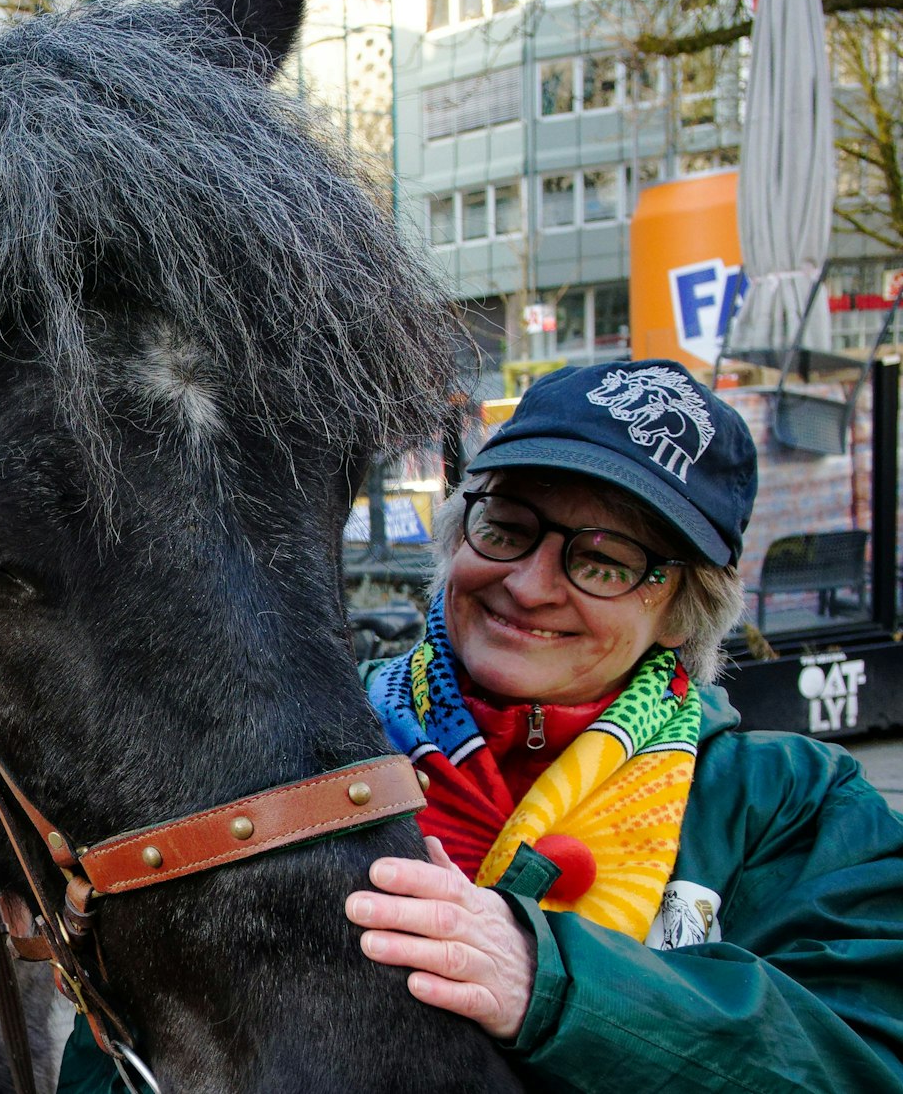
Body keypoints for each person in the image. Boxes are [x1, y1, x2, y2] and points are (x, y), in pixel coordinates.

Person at [348, 360, 903, 1090]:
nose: (529, 583)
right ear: (459, 536)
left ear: (682, 608)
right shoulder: (323, 737)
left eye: (604, 562)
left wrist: (551, 985)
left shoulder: (795, 804)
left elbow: (864, 1058)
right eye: (507, 529)